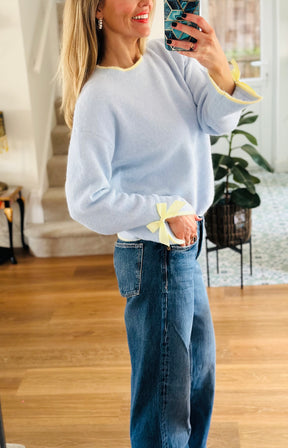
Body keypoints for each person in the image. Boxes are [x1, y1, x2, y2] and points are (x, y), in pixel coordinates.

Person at [60, 1, 261, 447]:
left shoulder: (169, 59)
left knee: (197, 380)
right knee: (165, 397)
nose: (144, 2)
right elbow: (84, 199)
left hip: (187, 243)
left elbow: (215, 119)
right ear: (95, 9)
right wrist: (164, 210)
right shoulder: (99, 94)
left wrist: (217, 63)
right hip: (154, 256)